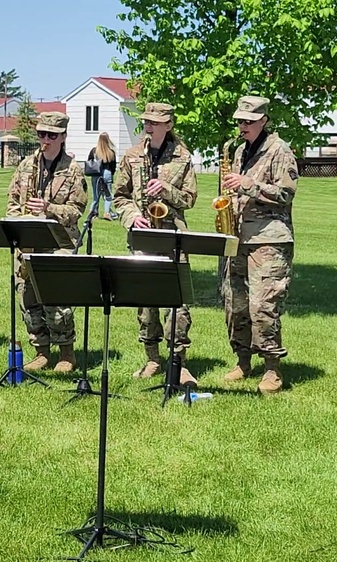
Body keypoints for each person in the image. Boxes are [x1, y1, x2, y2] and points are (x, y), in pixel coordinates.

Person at [112, 102, 198, 386]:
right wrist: (133, 217)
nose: (149, 126)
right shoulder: (132, 155)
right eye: (146, 121)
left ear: (168, 125)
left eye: (155, 122)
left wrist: (167, 190)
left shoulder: (183, 157)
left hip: (173, 236)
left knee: (177, 302)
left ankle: (179, 361)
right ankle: (152, 358)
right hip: (142, 236)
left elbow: (190, 199)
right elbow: (118, 197)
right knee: (145, 302)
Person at [220, 95, 299, 395]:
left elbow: (285, 194)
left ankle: (272, 368)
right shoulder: (239, 150)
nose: (242, 127)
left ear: (264, 120)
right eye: (240, 121)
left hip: (270, 239)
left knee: (263, 305)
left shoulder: (280, 151)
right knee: (234, 303)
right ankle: (243, 360)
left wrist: (248, 185)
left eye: (248, 122)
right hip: (239, 237)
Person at [6, 111, 87, 373]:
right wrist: (18, 226)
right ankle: (41, 351)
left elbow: (76, 210)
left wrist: (49, 208)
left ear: (63, 137)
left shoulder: (73, 170)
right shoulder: (26, 166)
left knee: (57, 299)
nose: (46, 140)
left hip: (60, 241)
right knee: (28, 298)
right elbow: (13, 201)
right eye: (42, 134)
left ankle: (66, 353)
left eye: (52, 135)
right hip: (29, 241)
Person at [87, 132, 118, 220]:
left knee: (96, 197)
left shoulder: (94, 151)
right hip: (107, 173)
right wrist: (111, 175)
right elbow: (113, 166)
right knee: (108, 196)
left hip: (96, 174)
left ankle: (93, 213)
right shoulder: (111, 152)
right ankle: (107, 213)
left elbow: (89, 161)